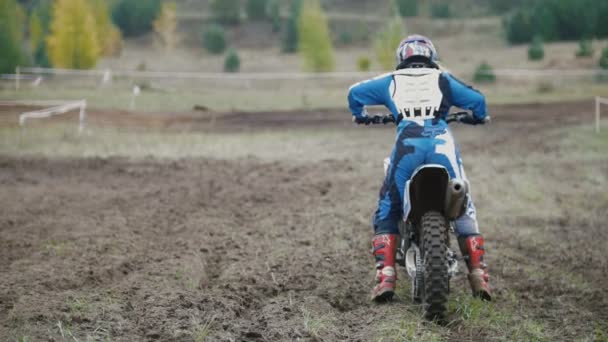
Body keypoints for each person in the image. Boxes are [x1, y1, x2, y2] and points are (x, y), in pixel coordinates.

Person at [347, 35, 491, 302]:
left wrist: (360, 115)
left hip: (407, 148)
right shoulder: (444, 80)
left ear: (403, 58)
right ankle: (478, 274)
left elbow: (354, 93)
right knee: (462, 202)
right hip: (441, 146)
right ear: (431, 57)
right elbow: (477, 100)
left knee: (388, 204)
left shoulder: (390, 80)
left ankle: (386, 275)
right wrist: (478, 117)